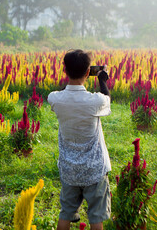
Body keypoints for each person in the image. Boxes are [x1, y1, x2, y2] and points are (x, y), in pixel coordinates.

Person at [47, 49, 111, 230]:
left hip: (69, 170)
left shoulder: (55, 99)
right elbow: (106, 98)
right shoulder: (94, 101)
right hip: (94, 170)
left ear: (65, 71)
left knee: (66, 212)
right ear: (87, 73)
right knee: (96, 217)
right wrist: (102, 80)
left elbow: (62, 96)